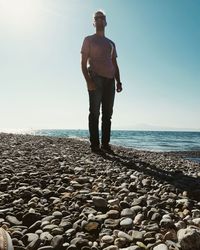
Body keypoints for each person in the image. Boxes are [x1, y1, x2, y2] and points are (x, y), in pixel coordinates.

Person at [81, 10, 122, 153]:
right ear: (94, 22)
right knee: (94, 112)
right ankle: (95, 145)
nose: (99, 20)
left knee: (107, 114)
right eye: (96, 18)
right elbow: (83, 62)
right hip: (95, 78)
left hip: (110, 81)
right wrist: (88, 81)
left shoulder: (111, 43)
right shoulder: (88, 39)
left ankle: (105, 144)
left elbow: (114, 64)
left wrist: (119, 81)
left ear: (105, 22)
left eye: (102, 18)